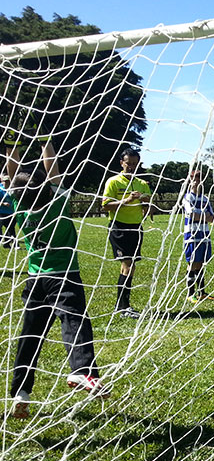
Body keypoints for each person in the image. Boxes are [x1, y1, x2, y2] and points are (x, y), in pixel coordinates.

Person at [6, 138, 108, 419]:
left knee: (30, 336)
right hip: (64, 277)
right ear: (48, 189)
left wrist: (10, 145)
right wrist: (46, 142)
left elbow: (14, 175)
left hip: (34, 279)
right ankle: (82, 371)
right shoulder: (57, 204)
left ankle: (21, 392)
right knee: (75, 320)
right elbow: (52, 169)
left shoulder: (19, 205)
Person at [102, 148, 152, 319]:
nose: (130, 167)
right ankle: (123, 307)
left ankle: (122, 305)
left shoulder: (143, 184)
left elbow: (148, 207)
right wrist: (127, 200)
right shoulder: (113, 182)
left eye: (134, 164)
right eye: (128, 163)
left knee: (131, 267)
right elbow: (105, 205)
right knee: (127, 265)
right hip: (119, 227)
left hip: (136, 227)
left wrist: (146, 204)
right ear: (121, 163)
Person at [182, 169, 214, 302]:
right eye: (193, 179)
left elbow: (212, 218)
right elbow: (192, 215)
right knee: (192, 262)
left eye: (198, 179)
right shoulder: (187, 197)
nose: (196, 181)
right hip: (191, 234)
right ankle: (190, 294)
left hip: (204, 234)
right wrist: (204, 216)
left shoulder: (205, 199)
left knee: (200, 263)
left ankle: (201, 292)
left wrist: (202, 217)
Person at [0, 172, 17, 248]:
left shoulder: (13, 188)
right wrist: (3, 203)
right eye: (5, 181)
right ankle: (12, 244)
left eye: (8, 181)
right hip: (2, 212)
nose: (7, 183)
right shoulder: (0, 189)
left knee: (11, 228)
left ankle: (7, 244)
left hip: (11, 212)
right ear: (2, 181)